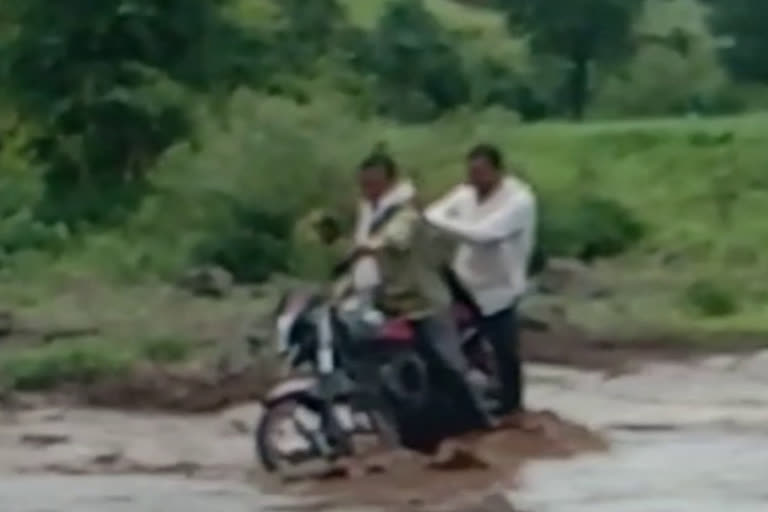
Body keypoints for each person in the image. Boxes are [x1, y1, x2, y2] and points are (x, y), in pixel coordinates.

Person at [352, 152, 494, 429]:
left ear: (390, 183)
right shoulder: (369, 212)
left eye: (374, 184)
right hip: (388, 302)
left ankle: (481, 423)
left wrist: (372, 245)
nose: (368, 191)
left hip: (422, 302)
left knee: (449, 365)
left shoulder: (406, 211)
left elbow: (397, 238)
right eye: (364, 184)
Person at [425, 144, 536, 415]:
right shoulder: (465, 194)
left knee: (503, 348)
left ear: (498, 172)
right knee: (454, 339)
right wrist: (446, 224)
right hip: (464, 279)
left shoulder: (519, 200)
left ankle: (512, 407)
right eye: (472, 173)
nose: (475, 179)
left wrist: (444, 225)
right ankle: (465, 399)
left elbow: (484, 235)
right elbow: (431, 213)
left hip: (501, 285)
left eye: (482, 173)